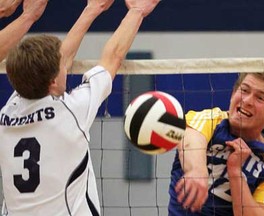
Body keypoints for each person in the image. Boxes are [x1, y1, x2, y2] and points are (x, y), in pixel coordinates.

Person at [0, 0, 160, 215]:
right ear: (53, 81)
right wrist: (137, 12)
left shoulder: (7, 113)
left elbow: (60, 59)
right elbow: (113, 56)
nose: (65, 66)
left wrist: (92, 9)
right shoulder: (72, 112)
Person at [169, 73, 264, 216]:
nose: (248, 100)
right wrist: (196, 171)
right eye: (244, 90)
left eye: (260, 98)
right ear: (233, 94)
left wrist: (235, 172)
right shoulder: (211, 120)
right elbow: (191, 141)